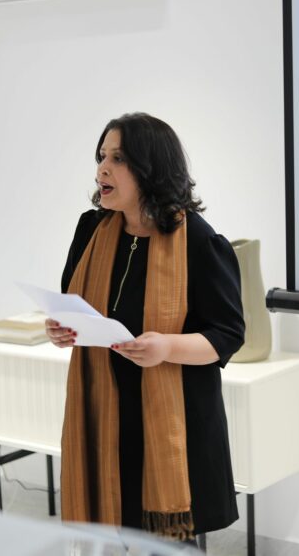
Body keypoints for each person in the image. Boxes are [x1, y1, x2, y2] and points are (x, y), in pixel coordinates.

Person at [45, 112, 245, 542]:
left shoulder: (199, 242)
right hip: (105, 419)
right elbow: (75, 306)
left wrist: (167, 347)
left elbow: (228, 335)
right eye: (101, 157)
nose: (102, 169)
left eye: (117, 159)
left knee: (167, 546)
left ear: (150, 168)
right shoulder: (91, 229)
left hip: (174, 426)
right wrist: (62, 330)